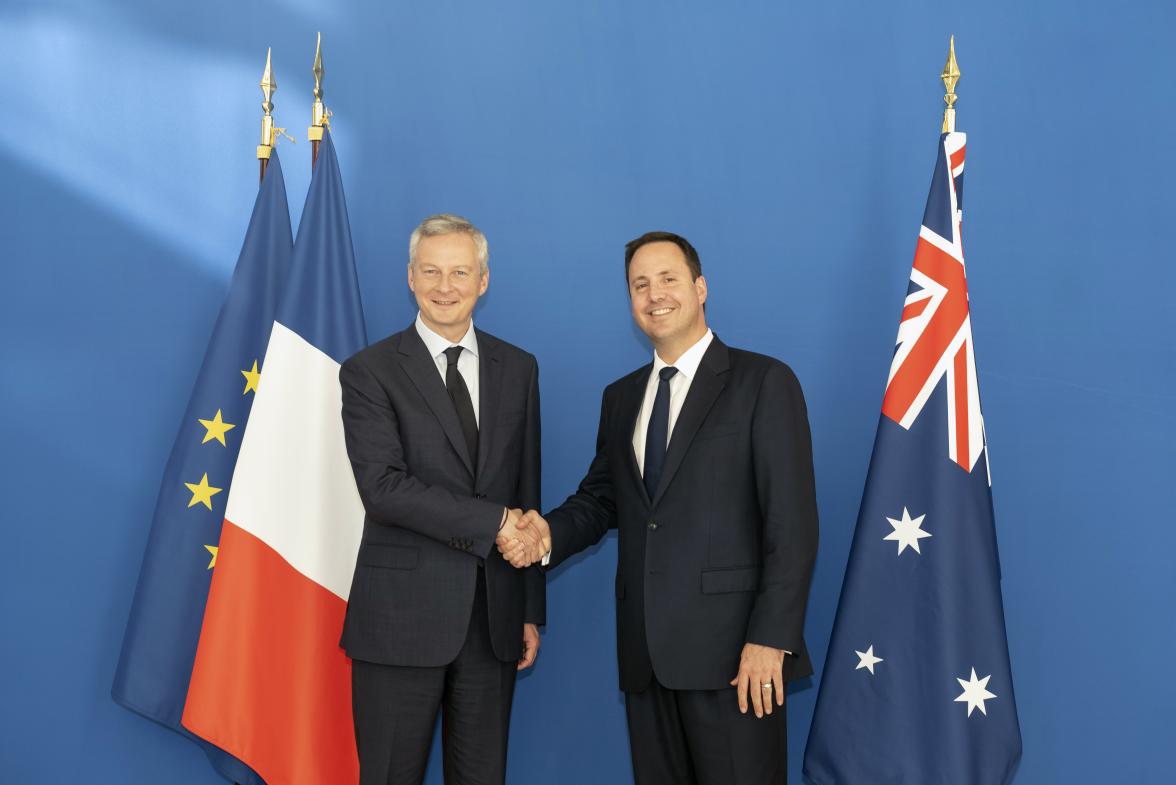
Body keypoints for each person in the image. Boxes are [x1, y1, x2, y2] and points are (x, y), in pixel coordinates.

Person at [500, 231, 818, 784]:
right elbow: (602, 500)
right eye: (639, 284)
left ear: (700, 287)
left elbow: (792, 524)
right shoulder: (621, 398)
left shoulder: (763, 382)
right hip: (646, 657)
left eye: (668, 279)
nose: (655, 295)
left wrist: (771, 639)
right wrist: (543, 534)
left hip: (736, 659)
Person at [338, 214, 544, 785]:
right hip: (399, 620)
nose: (444, 285)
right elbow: (383, 488)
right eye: (431, 270)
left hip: (493, 620)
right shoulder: (369, 371)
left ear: (483, 280)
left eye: (459, 271)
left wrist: (528, 608)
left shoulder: (519, 367)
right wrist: (496, 521)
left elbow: (525, 490)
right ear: (410, 277)